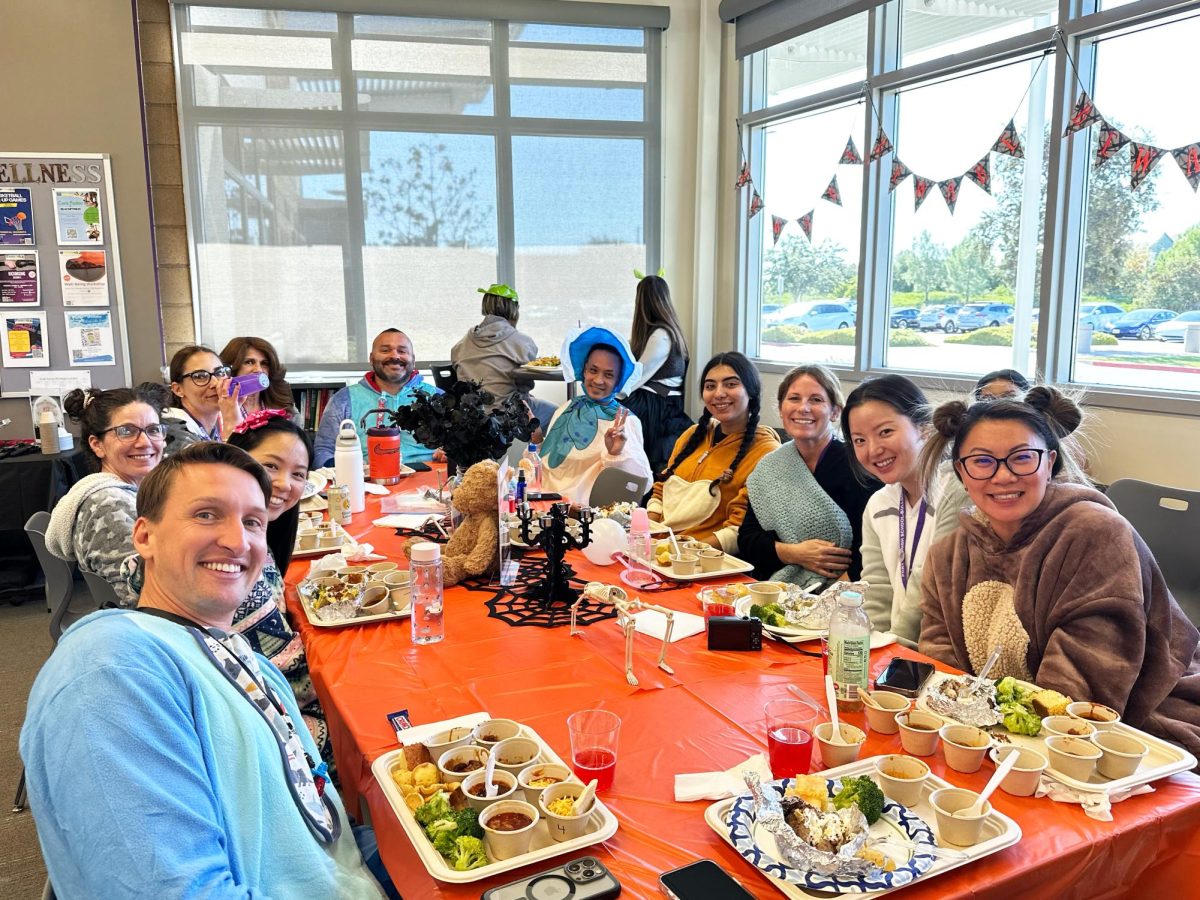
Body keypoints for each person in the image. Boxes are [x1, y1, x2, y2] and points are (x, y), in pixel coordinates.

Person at [20, 443, 389, 898]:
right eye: (207, 515)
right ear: (144, 536)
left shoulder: (243, 658)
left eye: (253, 521)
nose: (238, 541)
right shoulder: (111, 669)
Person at [918, 388, 1200, 760]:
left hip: (1140, 731)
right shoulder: (948, 555)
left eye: (1021, 458)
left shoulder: (1096, 535)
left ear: (1050, 462)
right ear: (961, 472)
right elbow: (942, 669)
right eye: (982, 462)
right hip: (998, 737)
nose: (1002, 476)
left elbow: (1085, 693)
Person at [227, 409, 331, 766]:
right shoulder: (234, 555)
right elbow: (280, 672)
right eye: (270, 466)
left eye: (298, 474)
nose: (285, 484)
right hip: (269, 724)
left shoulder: (259, 537)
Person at [740, 365, 879, 585]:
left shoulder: (859, 465)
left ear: (835, 411)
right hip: (777, 588)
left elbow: (872, 551)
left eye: (816, 400)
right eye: (794, 398)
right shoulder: (769, 468)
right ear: (780, 408)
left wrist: (827, 600)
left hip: (846, 593)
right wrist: (795, 554)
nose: (803, 408)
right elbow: (748, 540)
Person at [45, 384, 171, 607]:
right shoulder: (110, 505)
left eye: (153, 430)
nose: (145, 442)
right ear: (97, 445)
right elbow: (144, 597)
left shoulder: (137, 493)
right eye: (126, 431)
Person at [649, 352, 779, 551]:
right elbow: (661, 490)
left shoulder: (767, 452)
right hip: (657, 549)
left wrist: (681, 552)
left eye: (731, 384)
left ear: (751, 391)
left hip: (706, 562)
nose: (719, 393)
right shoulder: (692, 435)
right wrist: (646, 533)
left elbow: (739, 530)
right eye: (710, 386)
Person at [843, 375, 936, 648]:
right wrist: (868, 647)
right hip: (894, 651)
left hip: (937, 655)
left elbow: (929, 585)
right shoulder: (879, 504)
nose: (873, 449)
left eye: (885, 432)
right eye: (859, 440)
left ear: (924, 428)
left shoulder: (956, 493)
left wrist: (896, 652)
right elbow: (876, 589)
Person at [540, 325, 652, 506]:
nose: (598, 380)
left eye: (608, 375)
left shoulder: (625, 422)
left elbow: (641, 484)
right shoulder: (566, 408)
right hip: (547, 508)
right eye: (593, 370)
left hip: (589, 517)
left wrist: (616, 454)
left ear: (618, 381)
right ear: (583, 370)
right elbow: (546, 466)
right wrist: (537, 440)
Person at [313, 328, 440, 468]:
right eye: (385, 350)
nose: (395, 356)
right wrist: (344, 466)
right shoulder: (343, 400)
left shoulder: (438, 397)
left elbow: (462, 446)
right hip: (366, 482)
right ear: (371, 359)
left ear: (413, 360)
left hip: (433, 481)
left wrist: (452, 454)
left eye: (402, 351)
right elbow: (322, 452)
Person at [451, 283, 557, 428]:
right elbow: (526, 383)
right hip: (507, 415)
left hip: (470, 418)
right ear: (514, 310)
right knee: (560, 415)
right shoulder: (522, 342)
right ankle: (537, 450)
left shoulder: (460, 345)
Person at [621, 275, 692, 475]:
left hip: (657, 407)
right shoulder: (667, 332)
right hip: (661, 405)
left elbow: (637, 376)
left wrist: (611, 396)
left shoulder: (661, 336)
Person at [161, 344, 243, 452]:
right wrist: (232, 424)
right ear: (178, 389)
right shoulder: (173, 431)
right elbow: (226, 468)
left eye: (219, 373)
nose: (215, 383)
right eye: (200, 376)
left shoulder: (210, 429)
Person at [219, 335, 296, 416]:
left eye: (264, 363)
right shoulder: (217, 408)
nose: (259, 370)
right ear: (230, 368)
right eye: (249, 362)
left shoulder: (283, 406)